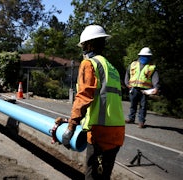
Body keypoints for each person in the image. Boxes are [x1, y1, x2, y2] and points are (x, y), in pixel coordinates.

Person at [61, 25, 125, 180]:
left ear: (88, 45)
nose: (83, 49)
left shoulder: (90, 64)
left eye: (83, 46)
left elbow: (84, 97)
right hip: (117, 132)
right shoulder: (112, 68)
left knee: (93, 177)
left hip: (100, 134)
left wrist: (70, 128)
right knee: (104, 176)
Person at [124, 47, 160, 128]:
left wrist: (156, 88)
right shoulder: (133, 64)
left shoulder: (152, 67)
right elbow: (127, 74)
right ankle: (131, 118)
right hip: (133, 88)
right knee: (133, 104)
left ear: (150, 57)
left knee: (143, 106)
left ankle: (141, 121)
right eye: (143, 56)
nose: (145, 58)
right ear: (139, 56)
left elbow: (155, 79)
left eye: (147, 56)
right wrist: (127, 84)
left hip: (145, 90)